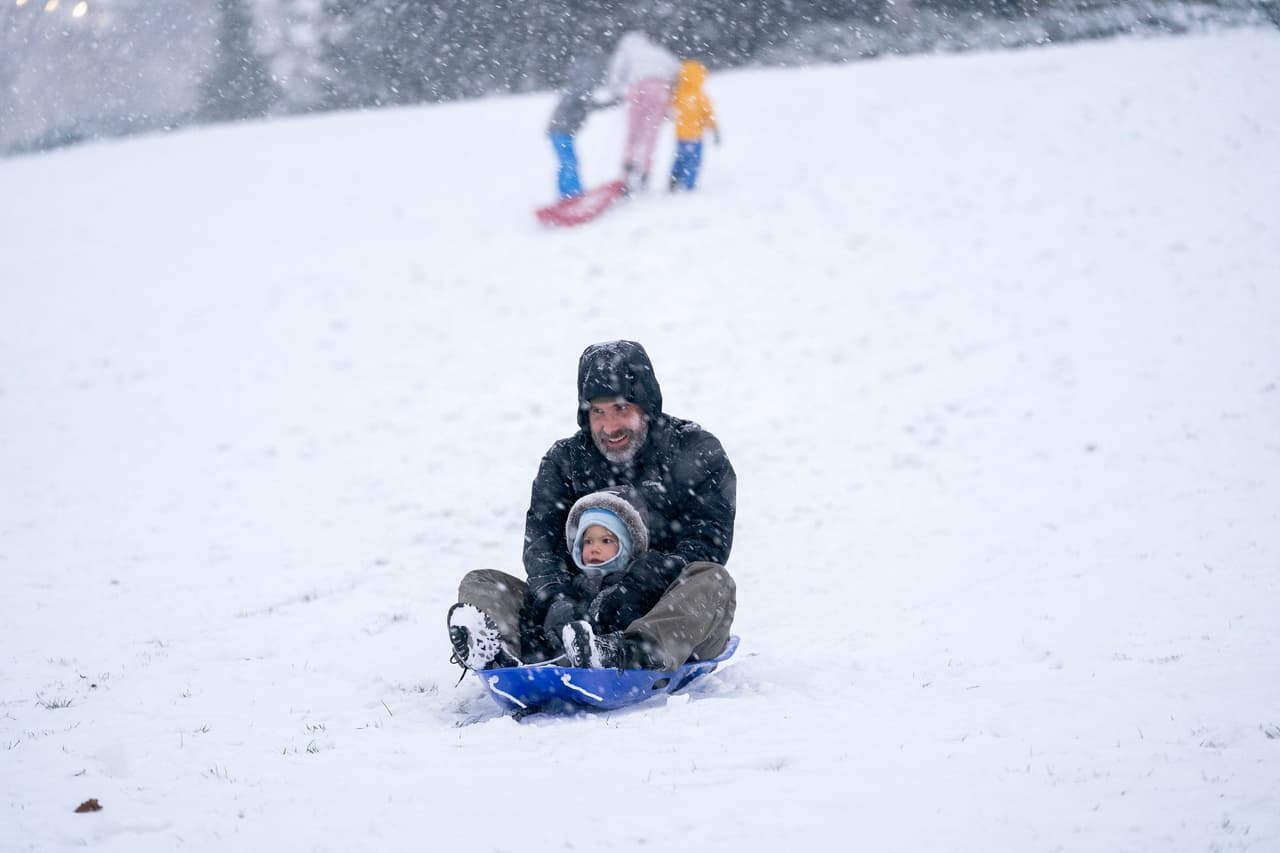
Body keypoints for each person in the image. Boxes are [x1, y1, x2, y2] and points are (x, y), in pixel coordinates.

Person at [448, 340, 737, 672]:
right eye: (598, 412)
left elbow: (707, 544)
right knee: (482, 582)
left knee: (713, 581)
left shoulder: (695, 451)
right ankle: (499, 656)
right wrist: (556, 600)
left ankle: (624, 654)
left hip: (669, 619)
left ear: (647, 407)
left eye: (621, 409)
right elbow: (543, 543)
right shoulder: (565, 460)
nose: (609, 427)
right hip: (578, 613)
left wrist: (642, 583)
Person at [598, 31, 681, 194]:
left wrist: (614, 90)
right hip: (661, 90)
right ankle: (645, 173)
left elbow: (615, 73)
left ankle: (628, 170)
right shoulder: (658, 51)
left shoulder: (627, 51)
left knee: (633, 134)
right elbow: (677, 70)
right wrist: (672, 96)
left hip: (638, 89)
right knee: (651, 134)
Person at [546, 50, 616, 200]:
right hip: (559, 131)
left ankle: (567, 193)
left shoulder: (580, 93)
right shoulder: (576, 91)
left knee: (568, 162)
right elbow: (585, 102)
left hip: (562, 132)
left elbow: (591, 105)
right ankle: (572, 194)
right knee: (570, 162)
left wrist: (613, 103)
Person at [668, 60, 719, 192]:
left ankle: (674, 178)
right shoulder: (701, 96)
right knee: (694, 162)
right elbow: (708, 114)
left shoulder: (679, 94)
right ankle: (689, 184)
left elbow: (670, 108)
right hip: (696, 136)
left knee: (680, 159)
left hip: (681, 135)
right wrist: (714, 129)